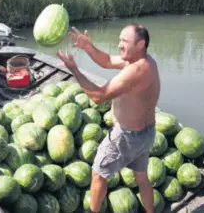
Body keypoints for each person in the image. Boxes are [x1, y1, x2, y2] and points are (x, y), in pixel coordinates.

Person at [56, 24, 160, 213]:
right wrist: (88, 47)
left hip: (126, 137)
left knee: (98, 175)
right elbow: (107, 61)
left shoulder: (137, 70)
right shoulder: (145, 61)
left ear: (140, 44)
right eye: (119, 40)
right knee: (141, 176)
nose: (119, 45)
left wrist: (75, 70)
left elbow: (98, 96)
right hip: (146, 133)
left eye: (124, 41)